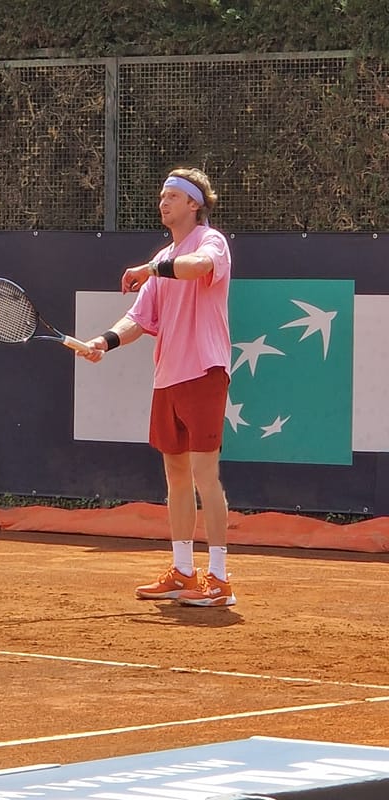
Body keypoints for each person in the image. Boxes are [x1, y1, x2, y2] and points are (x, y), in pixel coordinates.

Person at [80, 167, 235, 607]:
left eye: (172, 196)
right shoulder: (163, 259)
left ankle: (220, 579)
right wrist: (103, 342)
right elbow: (138, 319)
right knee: (176, 478)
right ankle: (184, 571)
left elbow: (196, 268)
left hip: (204, 370)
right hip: (167, 377)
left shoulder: (211, 242)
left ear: (193, 204)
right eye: (161, 195)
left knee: (206, 476)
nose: (163, 202)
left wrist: (151, 267)